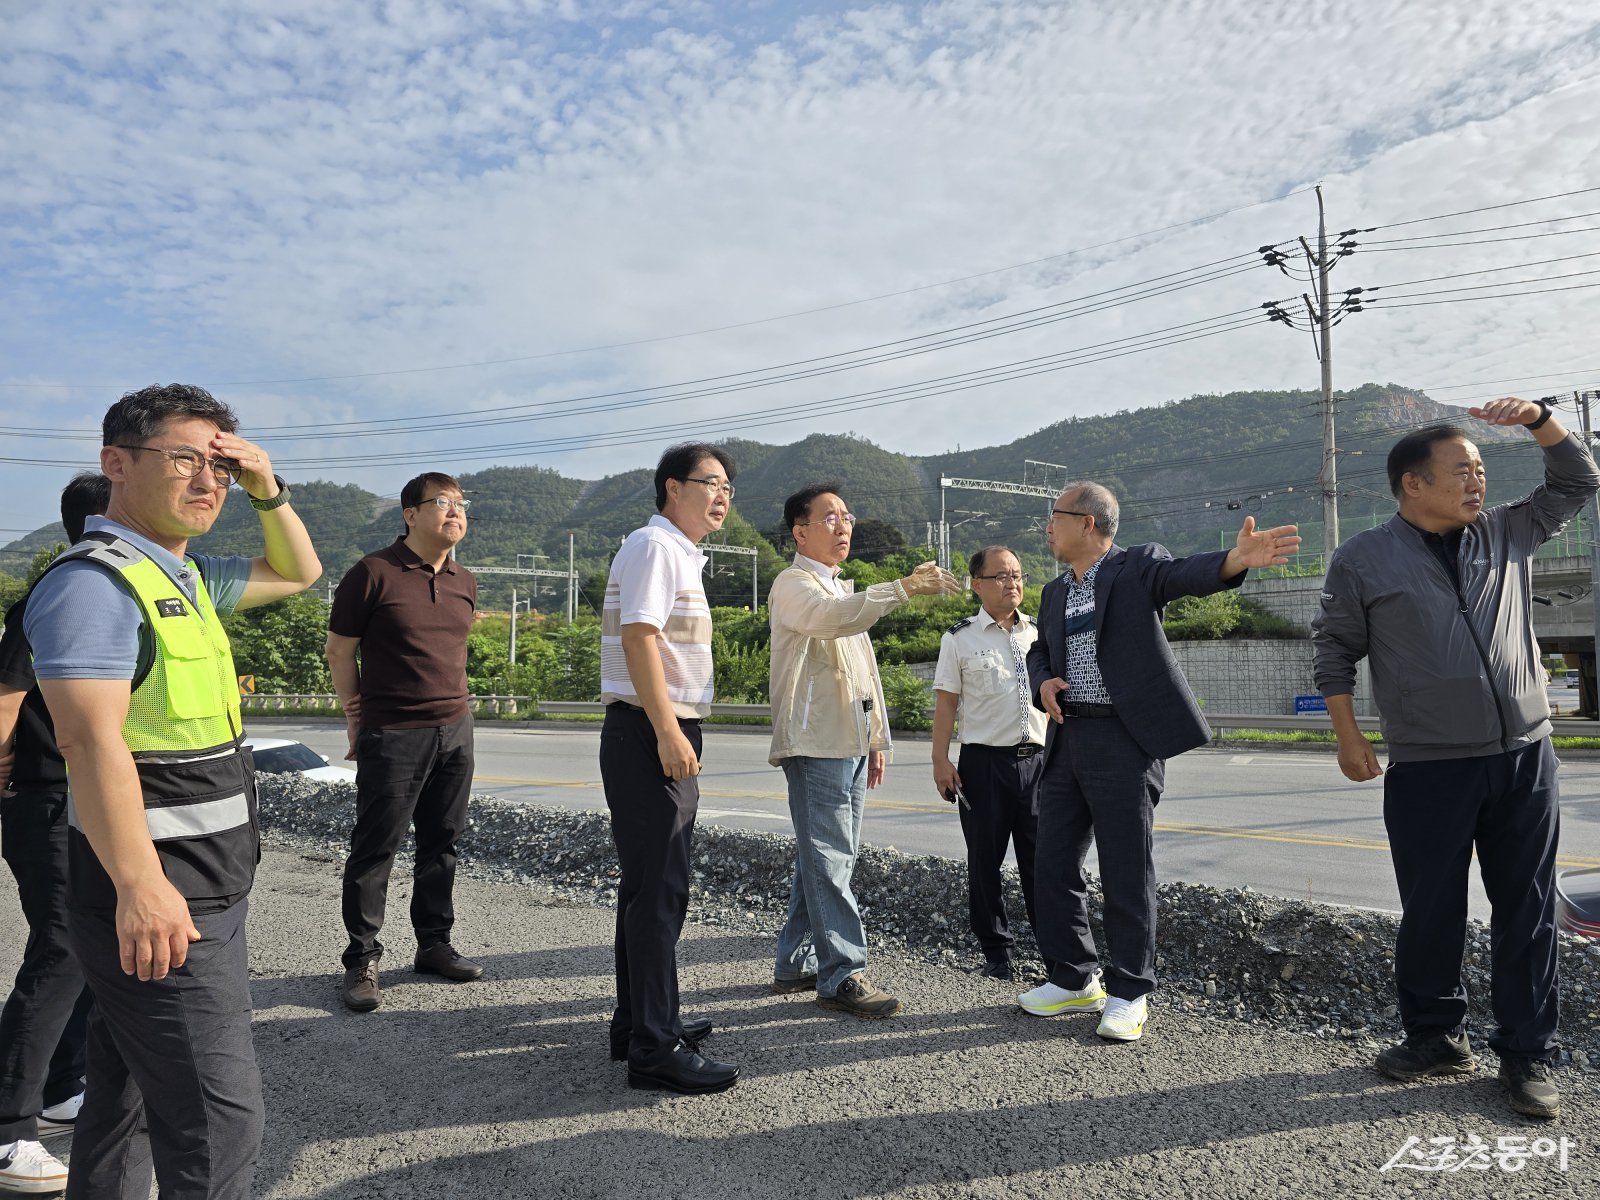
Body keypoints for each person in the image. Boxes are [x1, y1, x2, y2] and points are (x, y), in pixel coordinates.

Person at [26, 383, 321, 1200]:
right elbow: (90, 740)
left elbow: (299, 572)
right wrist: (141, 886)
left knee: (121, 1105)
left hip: (199, 886)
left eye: (219, 467)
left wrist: (267, 487)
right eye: (185, 459)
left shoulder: (186, 578)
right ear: (115, 464)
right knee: (219, 1123)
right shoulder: (98, 584)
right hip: (164, 897)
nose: (207, 482)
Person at [1312, 397, 1599, 1120]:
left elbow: (1579, 480)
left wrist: (1538, 420)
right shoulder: (1363, 558)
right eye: (1462, 470)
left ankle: (1528, 1056)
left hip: (1525, 757)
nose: (1478, 482)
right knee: (1431, 910)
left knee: (1528, 910)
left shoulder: (1507, 531)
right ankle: (1435, 1036)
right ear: (1413, 483)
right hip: (1430, 767)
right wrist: (1350, 736)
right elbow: (1335, 653)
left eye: (1479, 469)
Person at [1018, 481, 1297, 1042]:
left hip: (1123, 739)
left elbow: (1183, 575)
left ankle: (1128, 991)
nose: (1047, 527)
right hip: (1068, 739)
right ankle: (1074, 978)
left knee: (1126, 868)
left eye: (1055, 516)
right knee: (1051, 862)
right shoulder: (1052, 593)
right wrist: (1042, 679)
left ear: (1088, 523)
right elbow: (1040, 649)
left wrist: (1234, 560)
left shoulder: (1138, 567)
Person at [768, 484, 960, 1017]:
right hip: (816, 743)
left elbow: (863, 677)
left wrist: (876, 739)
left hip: (850, 743)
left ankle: (795, 962)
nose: (843, 525)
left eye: (847, 516)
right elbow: (832, 620)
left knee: (827, 854)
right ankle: (842, 973)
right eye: (829, 517)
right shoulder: (793, 584)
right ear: (800, 531)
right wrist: (903, 587)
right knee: (830, 857)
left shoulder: (838, 588)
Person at [599, 443, 740, 1094]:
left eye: (729, 489)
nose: (722, 496)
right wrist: (666, 730)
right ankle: (655, 1049)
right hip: (652, 729)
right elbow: (640, 637)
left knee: (646, 890)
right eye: (710, 483)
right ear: (671, 488)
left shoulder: (675, 552)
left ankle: (641, 1023)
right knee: (660, 895)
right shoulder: (656, 546)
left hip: (652, 728)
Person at [327, 473, 481, 1013]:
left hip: (455, 728)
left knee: (443, 843)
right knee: (376, 848)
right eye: (442, 503)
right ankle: (363, 959)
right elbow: (339, 651)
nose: (455, 513)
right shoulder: (374, 572)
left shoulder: (465, 578)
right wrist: (355, 714)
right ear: (410, 513)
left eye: (461, 504)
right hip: (393, 731)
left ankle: (434, 945)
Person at [0, 474, 109, 1196]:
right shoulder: (58, 593)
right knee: (62, 950)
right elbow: (5, 698)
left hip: (92, 803)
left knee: (89, 952)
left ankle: (63, 1085)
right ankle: (10, 1129)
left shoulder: (111, 590)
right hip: (44, 800)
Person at [930, 545, 1048, 981]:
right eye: (1000, 576)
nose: (1012, 582)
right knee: (985, 861)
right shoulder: (959, 639)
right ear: (976, 584)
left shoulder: (1040, 633)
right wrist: (940, 761)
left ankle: (1056, 953)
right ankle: (997, 952)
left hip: (1038, 764)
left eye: (1017, 574)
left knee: (1044, 861)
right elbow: (946, 706)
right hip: (983, 766)